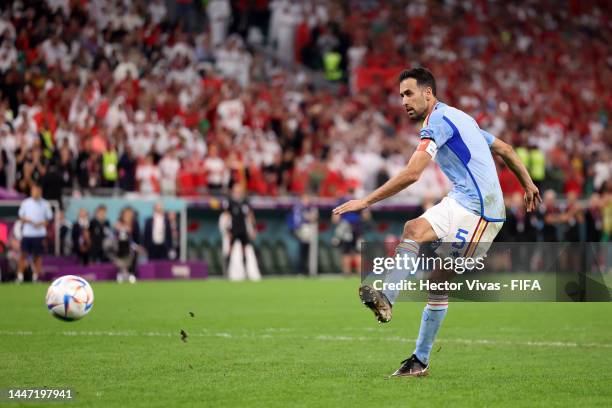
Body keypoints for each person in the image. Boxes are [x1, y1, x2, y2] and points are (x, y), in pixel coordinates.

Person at [333, 68, 541, 377]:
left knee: (437, 279)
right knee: (412, 230)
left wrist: (366, 201)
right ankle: (387, 299)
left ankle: (419, 359)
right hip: (461, 201)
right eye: (401, 94)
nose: (403, 100)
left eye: (408, 93)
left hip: (483, 213)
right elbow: (504, 149)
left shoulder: (437, 123)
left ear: (428, 94)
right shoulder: (460, 118)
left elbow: (412, 173)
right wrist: (528, 183)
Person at [223, 184, 261, 281]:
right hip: (233, 229)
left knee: (245, 250)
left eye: (239, 190)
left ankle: (245, 271)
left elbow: (250, 215)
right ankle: (226, 271)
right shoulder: (230, 202)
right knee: (230, 250)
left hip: (243, 229)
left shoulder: (245, 202)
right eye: (236, 190)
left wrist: (253, 229)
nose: (238, 192)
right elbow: (226, 216)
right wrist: (227, 230)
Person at [16, 183, 53, 282]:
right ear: (31, 191)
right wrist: (28, 220)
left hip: (39, 234)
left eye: (38, 191)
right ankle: (19, 277)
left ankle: (35, 277)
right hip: (27, 234)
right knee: (23, 255)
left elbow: (49, 219)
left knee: (38, 256)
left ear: (40, 192)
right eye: (34, 190)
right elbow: (20, 216)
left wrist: (40, 223)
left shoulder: (45, 204)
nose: (36, 193)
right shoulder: (25, 203)